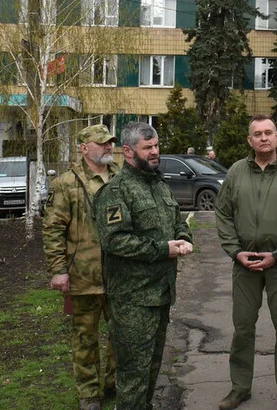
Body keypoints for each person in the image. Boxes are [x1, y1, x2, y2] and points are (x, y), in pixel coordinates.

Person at [215, 115, 277, 410]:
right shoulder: (235, 172)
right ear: (250, 140)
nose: (263, 138)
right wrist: (235, 251)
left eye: (268, 132)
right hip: (244, 263)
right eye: (257, 134)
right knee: (243, 328)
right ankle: (239, 388)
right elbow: (223, 214)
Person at [93, 122, 193, 410]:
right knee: (133, 376)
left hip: (160, 295)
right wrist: (163, 249)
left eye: (156, 146)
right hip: (132, 300)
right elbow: (115, 240)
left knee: (151, 370)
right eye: (147, 147)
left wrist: (184, 237)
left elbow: (177, 221)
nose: (155, 152)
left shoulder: (159, 186)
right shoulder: (116, 191)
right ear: (127, 151)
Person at [43, 124, 119, 410]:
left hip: (118, 277)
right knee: (85, 339)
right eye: (102, 143)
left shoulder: (120, 179)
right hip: (82, 278)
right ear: (84, 148)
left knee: (120, 336)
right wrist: (58, 270)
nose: (109, 147)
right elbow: (52, 230)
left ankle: (114, 384)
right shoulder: (65, 184)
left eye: (110, 143)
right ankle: (89, 394)